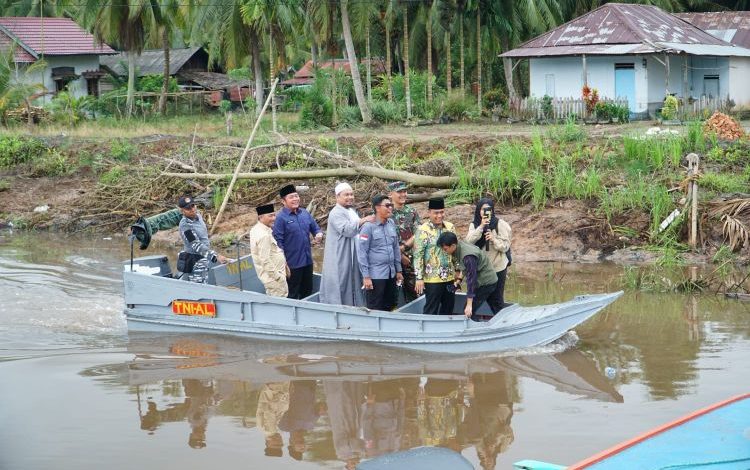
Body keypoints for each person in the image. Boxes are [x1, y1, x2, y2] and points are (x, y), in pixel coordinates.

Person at [319, 182, 373, 307]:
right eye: (346, 195)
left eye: (351, 194)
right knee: (342, 282)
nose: (350, 197)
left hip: (353, 254)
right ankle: (339, 309)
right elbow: (347, 230)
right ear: (337, 197)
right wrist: (364, 220)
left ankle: (356, 306)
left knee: (354, 281)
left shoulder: (351, 211)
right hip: (341, 256)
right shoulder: (336, 212)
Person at [273, 184, 323, 299]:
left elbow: (315, 227)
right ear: (283, 201)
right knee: (293, 293)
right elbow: (278, 242)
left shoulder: (304, 213)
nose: (295, 199)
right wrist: (284, 264)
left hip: (307, 261)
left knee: (307, 290)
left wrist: (319, 234)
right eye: (291, 197)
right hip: (292, 264)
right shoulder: (280, 218)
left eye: (296, 196)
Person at [436, 232, 499, 319]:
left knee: (468, 312)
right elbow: (465, 267)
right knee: (497, 307)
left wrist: (469, 305)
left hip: (485, 282)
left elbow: (471, 279)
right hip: (491, 279)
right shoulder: (460, 245)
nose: (444, 251)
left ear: (453, 245)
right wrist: (459, 280)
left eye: (445, 249)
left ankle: (474, 330)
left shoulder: (468, 256)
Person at [358, 195, 404, 311]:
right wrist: (366, 276)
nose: (390, 208)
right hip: (375, 276)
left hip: (391, 273)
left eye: (391, 205)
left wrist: (398, 270)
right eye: (387, 206)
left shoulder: (391, 223)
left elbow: (395, 248)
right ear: (377, 208)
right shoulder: (368, 227)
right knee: (375, 307)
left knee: (390, 304)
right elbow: (362, 253)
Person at [413, 198, 458, 315]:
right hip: (432, 279)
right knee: (431, 309)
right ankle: (428, 332)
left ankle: (445, 331)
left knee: (449, 307)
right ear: (429, 213)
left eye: (442, 212)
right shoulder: (422, 230)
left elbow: (455, 251)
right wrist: (419, 278)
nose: (439, 215)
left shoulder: (450, 227)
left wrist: (458, 270)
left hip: (449, 277)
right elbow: (418, 255)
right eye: (436, 213)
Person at [465, 198, 511, 311]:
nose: (485, 212)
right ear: (478, 211)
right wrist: (480, 227)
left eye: (488, 209)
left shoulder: (499, 224)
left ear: (492, 210)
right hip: (481, 269)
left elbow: (505, 247)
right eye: (482, 209)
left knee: (496, 298)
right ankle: (473, 320)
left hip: (497, 267)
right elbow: (468, 242)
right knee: (477, 296)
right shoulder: (474, 225)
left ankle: (500, 322)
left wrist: (493, 239)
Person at [177, 195, 228, 283]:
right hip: (195, 262)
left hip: (205, 258)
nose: (192, 209)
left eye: (193, 206)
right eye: (188, 208)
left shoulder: (198, 216)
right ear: (182, 211)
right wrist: (216, 256)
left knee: (206, 284)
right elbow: (196, 245)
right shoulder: (185, 225)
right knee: (198, 289)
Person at [388, 181, 421, 304]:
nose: (403, 194)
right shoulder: (387, 213)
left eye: (404, 191)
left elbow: (419, 232)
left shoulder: (411, 212)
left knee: (415, 291)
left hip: (410, 259)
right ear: (390, 194)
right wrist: (399, 254)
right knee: (392, 292)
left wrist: (405, 247)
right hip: (391, 259)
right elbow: (385, 238)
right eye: (399, 192)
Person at [249, 203, 288, 297]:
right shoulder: (264, 235)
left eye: (274, 215)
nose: (274, 218)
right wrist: (279, 277)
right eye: (270, 216)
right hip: (274, 280)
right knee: (280, 305)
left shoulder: (257, 229)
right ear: (261, 217)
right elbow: (265, 260)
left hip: (272, 277)